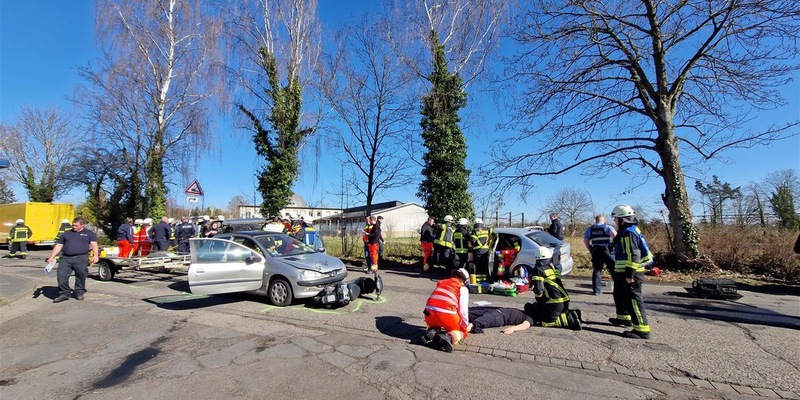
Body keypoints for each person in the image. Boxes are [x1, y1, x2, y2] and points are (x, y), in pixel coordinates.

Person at [609, 204, 653, 339]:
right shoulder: (627, 230)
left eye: (616, 219)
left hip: (631, 272)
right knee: (620, 295)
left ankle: (642, 330)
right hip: (623, 271)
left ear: (623, 219)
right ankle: (623, 318)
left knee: (633, 299)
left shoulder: (629, 232)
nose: (615, 221)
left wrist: (629, 274)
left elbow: (633, 254)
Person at [526, 246, 581, 330]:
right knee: (540, 309)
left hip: (554, 302)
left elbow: (539, 290)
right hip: (565, 300)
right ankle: (572, 314)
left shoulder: (538, 270)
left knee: (545, 322)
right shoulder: (552, 267)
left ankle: (569, 319)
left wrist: (539, 299)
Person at [46, 217, 99, 303]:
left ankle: (79, 292)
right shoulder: (66, 234)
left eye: (76, 225)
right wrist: (51, 257)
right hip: (66, 258)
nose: (74, 227)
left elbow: (94, 245)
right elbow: (59, 245)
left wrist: (96, 256)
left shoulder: (89, 234)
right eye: (73, 225)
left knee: (81, 275)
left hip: (81, 257)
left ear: (82, 225)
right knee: (61, 275)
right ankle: (64, 293)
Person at [420, 268, 470, 353]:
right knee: (462, 332)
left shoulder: (441, 282)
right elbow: (463, 312)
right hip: (446, 315)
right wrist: (465, 326)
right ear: (465, 280)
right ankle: (449, 338)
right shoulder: (462, 288)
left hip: (428, 313)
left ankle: (432, 331)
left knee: (436, 322)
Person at [584, 214, 617, 295]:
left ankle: (597, 290)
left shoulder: (590, 229)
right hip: (607, 250)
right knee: (613, 269)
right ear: (603, 220)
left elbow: (586, 240)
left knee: (597, 270)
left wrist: (590, 249)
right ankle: (617, 289)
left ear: (596, 220)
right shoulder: (607, 227)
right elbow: (616, 237)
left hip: (596, 250)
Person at [467, 307, 535, 335]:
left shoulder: (530, 318)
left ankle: (464, 329)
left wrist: (512, 329)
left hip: (499, 317)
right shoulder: (522, 312)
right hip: (494, 311)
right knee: (469, 314)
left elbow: (525, 325)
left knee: (478, 323)